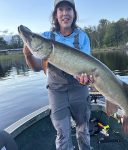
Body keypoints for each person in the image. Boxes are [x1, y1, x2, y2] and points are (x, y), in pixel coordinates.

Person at [23, 0, 93, 149]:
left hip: (79, 88)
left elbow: (87, 70)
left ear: (74, 14)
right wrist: (28, 55)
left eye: (69, 9)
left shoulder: (82, 37)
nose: (65, 13)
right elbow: (36, 68)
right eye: (61, 9)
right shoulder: (46, 36)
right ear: (56, 14)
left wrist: (86, 79)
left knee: (83, 129)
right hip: (56, 91)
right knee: (62, 133)